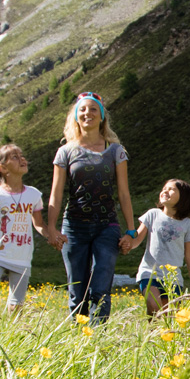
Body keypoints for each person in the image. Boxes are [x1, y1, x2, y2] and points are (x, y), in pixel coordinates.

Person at [46, 92, 136, 322]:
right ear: (76, 116)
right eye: (83, 110)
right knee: (77, 291)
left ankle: (97, 339)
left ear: (102, 116)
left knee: (100, 286)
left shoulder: (116, 151)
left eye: (93, 109)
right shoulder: (65, 152)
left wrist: (131, 230)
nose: (88, 113)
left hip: (107, 226)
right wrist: (51, 229)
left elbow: (124, 194)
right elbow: (56, 195)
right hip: (74, 227)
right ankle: (79, 340)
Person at [0, 144, 58, 314]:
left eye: (22, 155)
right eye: (15, 157)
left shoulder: (33, 194)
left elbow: (39, 224)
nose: (22, 159)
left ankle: (9, 335)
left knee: (15, 307)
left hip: (22, 257)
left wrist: (51, 236)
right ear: (3, 168)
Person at [123, 179, 190, 316]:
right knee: (154, 306)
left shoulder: (187, 224)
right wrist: (128, 244)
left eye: (171, 189)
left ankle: (152, 336)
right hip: (149, 273)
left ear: (184, 197)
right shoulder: (152, 214)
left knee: (167, 316)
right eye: (164, 188)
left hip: (173, 277)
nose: (165, 191)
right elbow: (137, 240)